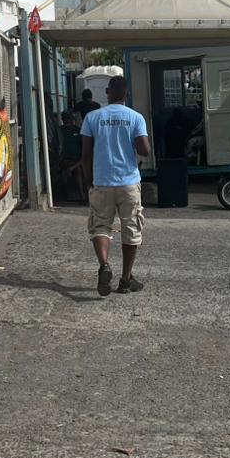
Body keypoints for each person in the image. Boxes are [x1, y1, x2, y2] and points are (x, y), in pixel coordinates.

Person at [80, 75, 150, 296]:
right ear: (126, 94)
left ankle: (104, 265)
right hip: (128, 182)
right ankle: (126, 278)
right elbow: (144, 150)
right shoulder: (136, 117)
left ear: (108, 92)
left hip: (101, 181)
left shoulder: (92, 117)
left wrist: (88, 181)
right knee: (131, 230)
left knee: (100, 226)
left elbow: (85, 154)